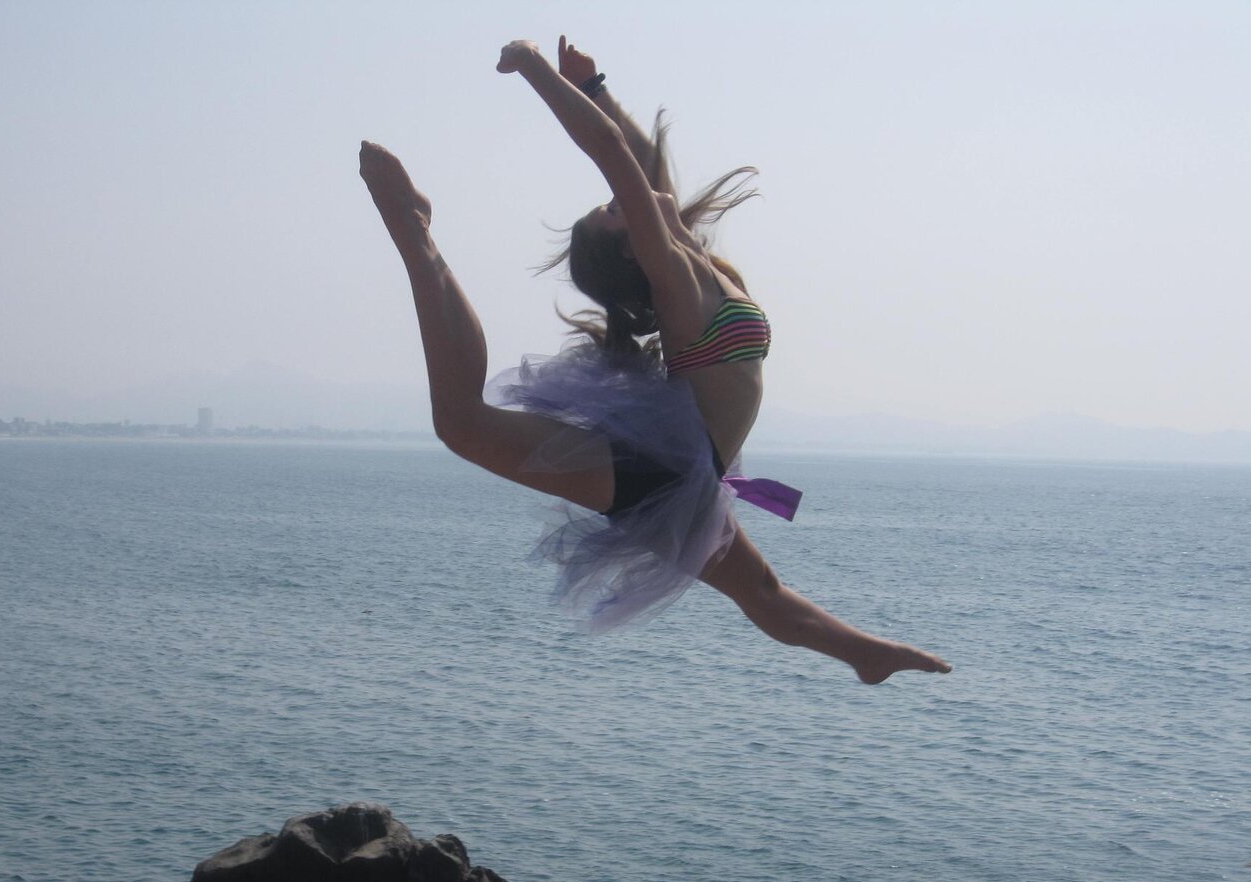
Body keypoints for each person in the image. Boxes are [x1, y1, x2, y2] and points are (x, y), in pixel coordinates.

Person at [360, 36, 950, 684]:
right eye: (618, 209)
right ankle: (416, 236)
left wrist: (595, 87)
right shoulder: (671, 275)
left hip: (695, 473)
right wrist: (530, 68)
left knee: (765, 592)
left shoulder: (682, 251)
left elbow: (639, 163)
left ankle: (864, 654)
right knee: (462, 423)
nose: (629, 197)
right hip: (659, 473)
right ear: (634, 247)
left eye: (616, 203)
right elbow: (612, 155)